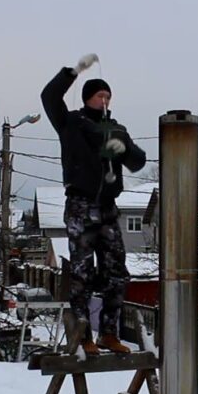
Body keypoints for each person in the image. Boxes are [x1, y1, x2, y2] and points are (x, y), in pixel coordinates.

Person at [41, 53, 147, 355]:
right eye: (100, 95)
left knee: (117, 272)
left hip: (108, 208)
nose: (105, 100)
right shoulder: (71, 123)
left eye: (109, 96)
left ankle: (109, 334)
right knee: (82, 273)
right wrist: (73, 72)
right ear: (88, 97)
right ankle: (83, 334)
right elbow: (49, 96)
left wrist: (122, 147)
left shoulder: (116, 129)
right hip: (80, 206)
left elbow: (138, 162)